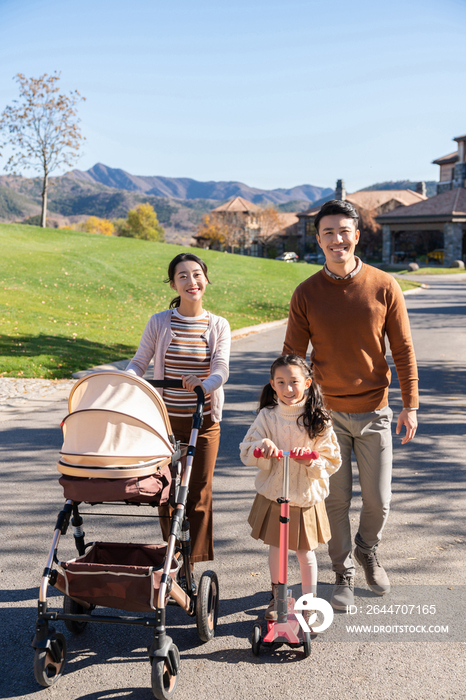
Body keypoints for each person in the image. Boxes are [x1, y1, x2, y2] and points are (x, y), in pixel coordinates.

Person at [283, 199, 419, 610]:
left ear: (356, 236)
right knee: (334, 500)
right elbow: (292, 355)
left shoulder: (383, 285)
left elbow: (404, 349)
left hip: (375, 411)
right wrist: (288, 410)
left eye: (344, 231)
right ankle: (341, 571)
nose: (337, 239)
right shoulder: (306, 292)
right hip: (325, 417)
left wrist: (409, 404)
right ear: (319, 238)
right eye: (328, 232)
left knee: (379, 499)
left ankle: (367, 548)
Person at [126, 253, 230, 589]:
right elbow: (140, 361)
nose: (191, 281)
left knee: (197, 491)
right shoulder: (159, 322)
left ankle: (192, 563)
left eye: (197, 274)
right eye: (183, 276)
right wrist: (127, 382)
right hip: (165, 425)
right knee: (167, 492)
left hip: (204, 421)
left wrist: (205, 384)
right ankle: (173, 554)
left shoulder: (218, 325)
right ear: (173, 284)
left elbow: (221, 369)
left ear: (206, 280)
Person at [239, 354, 341, 620]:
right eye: (281, 382)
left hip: (304, 496)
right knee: (277, 547)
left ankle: (309, 601)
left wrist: (310, 458)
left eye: (294, 382)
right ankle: (278, 596)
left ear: (307, 383)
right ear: (273, 384)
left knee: (305, 552)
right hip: (275, 494)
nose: (288, 389)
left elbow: (332, 460)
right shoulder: (267, 416)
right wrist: (261, 448)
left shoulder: (318, 419)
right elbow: (246, 449)